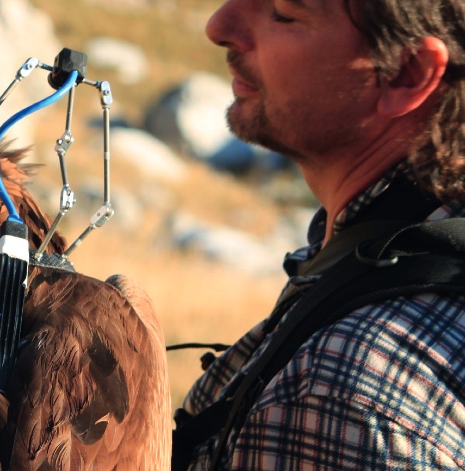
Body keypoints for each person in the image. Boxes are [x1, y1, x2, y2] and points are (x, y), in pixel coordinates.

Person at [174, 0, 465, 469]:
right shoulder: (404, 240)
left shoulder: (340, 390)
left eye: (284, 12)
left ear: (408, 73)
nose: (219, 26)